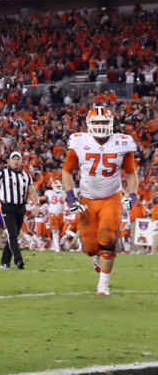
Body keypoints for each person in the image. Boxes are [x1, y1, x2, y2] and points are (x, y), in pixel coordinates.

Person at [61, 105, 139, 296]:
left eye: (104, 122)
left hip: (112, 198)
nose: (101, 126)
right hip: (87, 200)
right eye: (97, 122)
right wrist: (71, 198)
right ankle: (98, 256)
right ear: (89, 124)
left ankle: (103, 283)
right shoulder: (79, 142)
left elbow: (131, 173)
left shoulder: (122, 143)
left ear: (111, 123)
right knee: (89, 248)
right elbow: (66, 171)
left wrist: (132, 196)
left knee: (107, 237)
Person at [0, 151, 38, 269]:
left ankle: (5, 262)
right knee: (12, 234)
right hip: (7, 206)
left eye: (17, 159)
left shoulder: (26, 176)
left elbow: (31, 191)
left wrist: (37, 205)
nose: (15, 161)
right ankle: (18, 260)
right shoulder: (2, 174)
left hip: (20, 207)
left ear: (21, 162)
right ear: (9, 162)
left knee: (14, 234)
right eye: (13, 159)